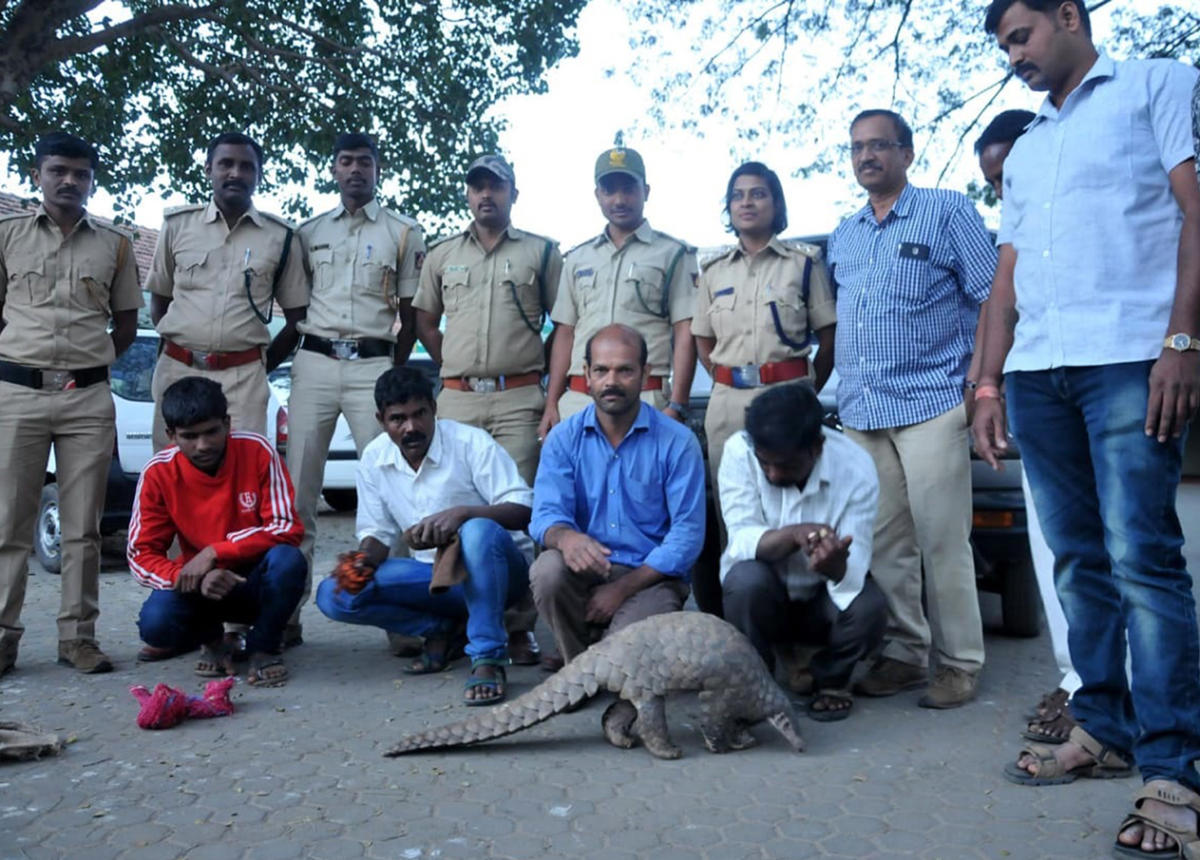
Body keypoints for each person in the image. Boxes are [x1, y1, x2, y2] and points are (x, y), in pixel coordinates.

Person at [976, 0, 1200, 853]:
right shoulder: (1027, 149)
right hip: (1039, 373)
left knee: (1144, 556)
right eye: (1004, 48)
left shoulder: (1158, 85)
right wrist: (988, 381)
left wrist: (1182, 339)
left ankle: (1175, 765)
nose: (1014, 58)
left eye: (1021, 36)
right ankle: (1103, 729)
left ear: (1069, 16)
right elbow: (1009, 273)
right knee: (1075, 560)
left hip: (1129, 357)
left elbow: (1193, 213)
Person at [827, 109, 997, 709]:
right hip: (863, 411)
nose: (866, 156)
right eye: (856, 148)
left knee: (942, 540)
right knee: (886, 542)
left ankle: (960, 663)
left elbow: (993, 298)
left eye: (879, 146)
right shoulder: (845, 234)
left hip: (931, 403)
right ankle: (904, 653)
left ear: (906, 152)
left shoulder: (948, 211)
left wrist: (982, 388)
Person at [0, 132, 142, 675]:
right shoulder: (9, 235)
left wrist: (91, 361)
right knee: (10, 522)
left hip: (86, 397)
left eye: (80, 174)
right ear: (37, 175)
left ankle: (77, 638)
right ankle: (4, 636)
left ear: (91, 181)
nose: (69, 181)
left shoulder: (115, 244)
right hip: (17, 394)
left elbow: (126, 324)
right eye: (58, 170)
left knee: (83, 526)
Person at [413, 153, 561, 665]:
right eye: (477, 187)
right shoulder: (440, 255)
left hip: (519, 396)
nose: (485, 195)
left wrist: (551, 396)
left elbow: (561, 324)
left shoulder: (541, 252)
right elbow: (426, 320)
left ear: (513, 194)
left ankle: (518, 626)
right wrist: (453, 365)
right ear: (467, 194)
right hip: (455, 396)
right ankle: (455, 615)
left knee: (516, 512)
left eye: (495, 187)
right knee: (450, 501)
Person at [315, 366, 533, 705]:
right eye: (398, 419)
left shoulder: (469, 442)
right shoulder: (374, 458)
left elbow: (524, 509)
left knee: (476, 530)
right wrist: (360, 564)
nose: (411, 427)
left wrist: (463, 513)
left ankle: (487, 656)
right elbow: (377, 535)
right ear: (381, 419)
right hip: (437, 580)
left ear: (434, 409)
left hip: (501, 576)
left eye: (420, 414)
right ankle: (438, 629)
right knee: (334, 594)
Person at [287, 132, 426, 647]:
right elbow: (296, 308)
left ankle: (403, 619)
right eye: (345, 161)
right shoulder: (307, 233)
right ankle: (287, 615)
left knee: (394, 488)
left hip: (373, 366)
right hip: (316, 364)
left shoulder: (403, 232)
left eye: (364, 162)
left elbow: (409, 317)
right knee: (299, 493)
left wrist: (392, 368)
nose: (354, 171)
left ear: (378, 168)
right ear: (333, 169)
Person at [972, 109, 1080, 743]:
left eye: (1011, 174)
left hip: (1106, 391)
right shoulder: (1008, 241)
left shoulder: (1084, 219)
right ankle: (1079, 683)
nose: (1004, 190)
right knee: (1054, 551)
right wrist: (987, 387)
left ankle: (1132, 695)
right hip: (1036, 402)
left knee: (1125, 552)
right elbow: (998, 309)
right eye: (994, 182)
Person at [530, 324, 706, 667]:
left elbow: (687, 537)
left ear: (645, 374)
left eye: (624, 370)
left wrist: (622, 589)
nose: (611, 381)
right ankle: (576, 662)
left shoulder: (677, 442)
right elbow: (545, 516)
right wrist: (566, 538)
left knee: (622, 659)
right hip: (587, 570)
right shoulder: (564, 438)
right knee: (547, 570)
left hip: (651, 579)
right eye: (601, 370)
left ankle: (595, 661)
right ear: (586, 375)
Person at [719, 383, 885, 722]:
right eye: (765, 464)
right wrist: (793, 535)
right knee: (743, 580)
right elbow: (741, 540)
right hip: (768, 595)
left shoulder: (856, 467)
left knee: (870, 605)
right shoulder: (739, 451)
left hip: (820, 602)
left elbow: (853, 573)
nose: (774, 474)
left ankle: (832, 681)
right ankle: (755, 684)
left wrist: (836, 565)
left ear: (817, 447)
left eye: (787, 465)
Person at [128, 377, 306, 686]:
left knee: (289, 561)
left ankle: (263, 648)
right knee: (155, 625)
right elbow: (141, 554)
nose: (203, 445)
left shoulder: (258, 450)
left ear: (227, 423)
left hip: (255, 581)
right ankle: (213, 643)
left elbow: (286, 527)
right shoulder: (158, 472)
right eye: (189, 436)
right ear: (171, 435)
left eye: (212, 432)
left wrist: (214, 553)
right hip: (201, 587)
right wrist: (188, 576)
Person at [147, 131, 308, 452]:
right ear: (209, 169)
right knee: (173, 473)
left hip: (243, 380)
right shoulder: (178, 225)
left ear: (258, 175)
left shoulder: (281, 237)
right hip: (178, 370)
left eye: (247, 166)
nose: (236, 173)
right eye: (226, 164)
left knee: (242, 473)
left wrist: (259, 365)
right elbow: (159, 300)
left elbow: (297, 319)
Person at [693, 161, 837, 484]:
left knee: (792, 500)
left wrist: (805, 393)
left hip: (788, 397)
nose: (746, 202)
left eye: (757, 194)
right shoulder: (713, 270)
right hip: (727, 404)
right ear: (729, 207)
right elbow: (702, 340)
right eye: (737, 196)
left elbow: (829, 339)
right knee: (731, 504)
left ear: (776, 204)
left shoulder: (803, 264)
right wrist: (724, 380)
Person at [538, 147, 698, 438]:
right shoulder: (577, 258)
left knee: (642, 483)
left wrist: (678, 404)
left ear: (646, 191)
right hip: (578, 400)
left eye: (629, 189)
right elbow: (565, 333)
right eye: (609, 191)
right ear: (597, 195)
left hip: (646, 400)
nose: (619, 200)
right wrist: (552, 403)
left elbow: (685, 331)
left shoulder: (673, 253)